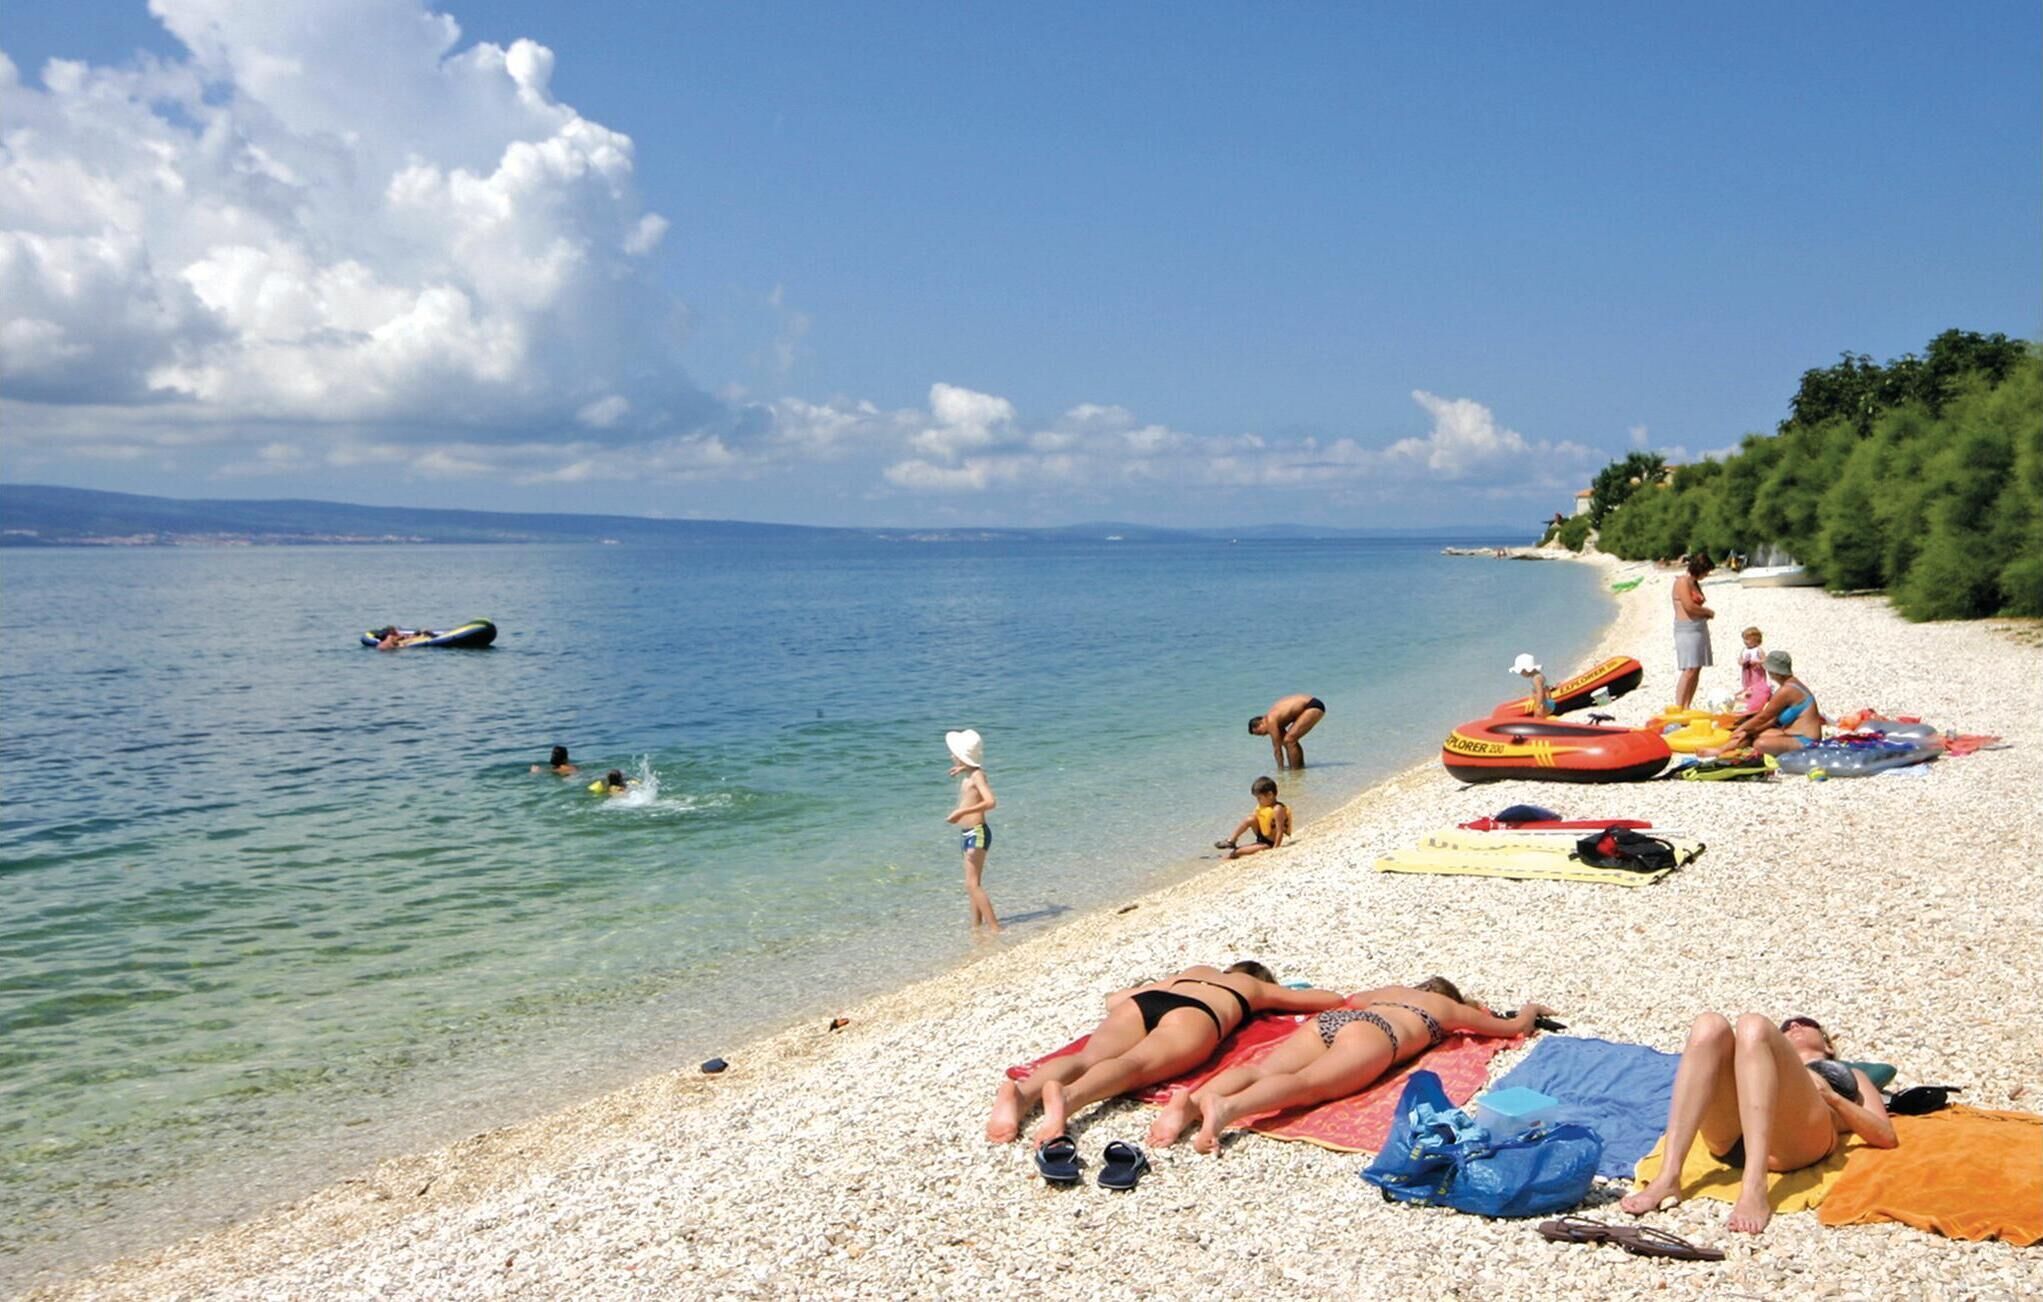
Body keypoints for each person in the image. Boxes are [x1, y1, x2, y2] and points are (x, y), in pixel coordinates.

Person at [1148, 978, 1552, 1155]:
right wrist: (1531, 1009)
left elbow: (1352, 999)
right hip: (1376, 1035)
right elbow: (1513, 1027)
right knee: (1306, 1084)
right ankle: (1226, 1109)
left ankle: (1192, 1101)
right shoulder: (1449, 1009)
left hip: (1332, 1022)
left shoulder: (1389, 991)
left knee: (1264, 1069)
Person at [987, 961, 1343, 1145]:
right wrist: (1275, 992)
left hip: (1147, 1001)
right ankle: (1068, 1098)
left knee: (1088, 1057)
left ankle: (1020, 1095)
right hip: (1193, 1017)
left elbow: (1114, 1000)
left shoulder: (1194, 971)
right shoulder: (1254, 987)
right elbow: (1329, 1000)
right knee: (1133, 1065)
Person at [1620, 1013, 1896, 1233]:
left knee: (1753, 1024)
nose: (1795, 1025)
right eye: (1786, 1027)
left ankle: (1754, 1186)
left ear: (1828, 1044)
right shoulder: (1754, 1055)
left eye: (1807, 1024)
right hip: (1733, 1140)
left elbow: (1885, 1135)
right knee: (1709, 1025)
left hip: (1800, 1140)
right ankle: (1669, 1176)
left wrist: (1831, 1097)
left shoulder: (1853, 1075)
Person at [1706, 650, 1820, 757]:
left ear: (1775, 672)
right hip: (1791, 734)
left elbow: (1764, 716)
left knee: (1759, 743)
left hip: (1806, 740)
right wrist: (1747, 730)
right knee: (1752, 733)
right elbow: (1772, 719)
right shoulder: (1792, 684)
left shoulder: (1787, 690)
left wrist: (1739, 729)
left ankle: (1721, 750)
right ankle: (1721, 750)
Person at [945, 729, 999, 933]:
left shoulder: (977, 775)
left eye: (955, 754)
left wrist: (961, 811)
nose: (951, 756)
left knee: (971, 884)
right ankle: (976, 928)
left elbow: (990, 802)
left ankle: (995, 929)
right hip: (968, 833)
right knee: (973, 883)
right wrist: (962, 769)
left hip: (978, 832)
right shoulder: (971, 774)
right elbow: (973, 778)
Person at [1671, 555, 1715, 710]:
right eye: (1706, 572)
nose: (1706, 575)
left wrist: (1704, 614)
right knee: (1689, 668)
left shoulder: (1694, 583)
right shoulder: (1682, 582)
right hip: (1686, 628)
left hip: (1699, 627)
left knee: (1697, 667)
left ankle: (1687, 705)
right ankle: (1679, 706)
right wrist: (1707, 611)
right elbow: (1689, 606)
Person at [1215, 776, 1290, 859]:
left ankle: (1227, 857)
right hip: (1262, 836)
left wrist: (1275, 849)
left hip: (1269, 844)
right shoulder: (1264, 806)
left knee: (1237, 852)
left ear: (1270, 795)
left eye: (1259, 798)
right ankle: (1231, 840)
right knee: (1250, 819)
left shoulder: (1277, 809)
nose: (1258, 801)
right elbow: (1256, 819)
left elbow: (1280, 831)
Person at [1249, 694, 1326, 769]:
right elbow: (1284, 744)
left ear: (1260, 723)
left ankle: (1295, 772)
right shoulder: (1276, 721)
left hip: (1312, 706)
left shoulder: (1270, 720)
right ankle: (1299, 769)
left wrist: (1280, 770)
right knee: (1289, 741)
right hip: (1311, 704)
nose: (1263, 735)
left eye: (1259, 733)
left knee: (1290, 740)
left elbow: (1277, 749)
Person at [1737, 627, 1770, 714]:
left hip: (1756, 671)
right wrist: (1743, 661)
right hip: (1747, 671)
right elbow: (1739, 661)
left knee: (1757, 685)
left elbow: (1765, 660)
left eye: (1747, 639)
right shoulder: (1744, 650)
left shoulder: (1758, 650)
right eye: (1744, 639)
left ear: (1756, 640)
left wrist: (1757, 661)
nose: (1745, 641)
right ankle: (1749, 700)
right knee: (1747, 685)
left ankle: (1758, 700)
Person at [1510, 653, 1554, 719]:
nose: (1521, 674)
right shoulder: (1539, 675)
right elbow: (1544, 689)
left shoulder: (1536, 679)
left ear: (1525, 669)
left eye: (1521, 672)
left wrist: (1538, 706)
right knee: (1541, 717)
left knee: (1537, 718)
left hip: (1543, 704)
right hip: (1548, 702)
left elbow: (1540, 692)